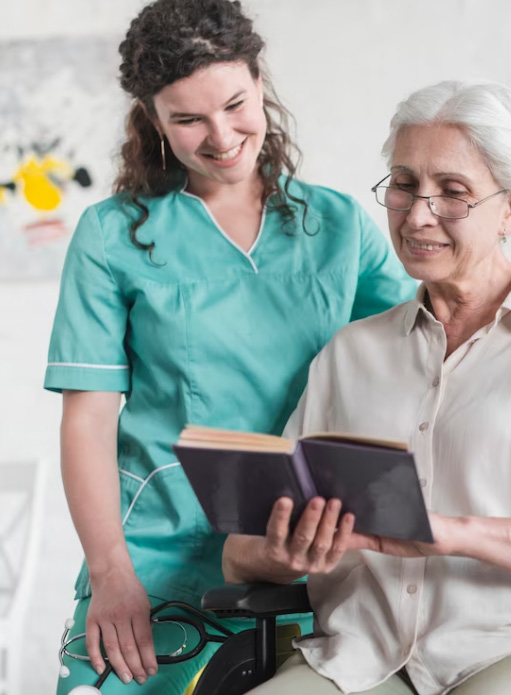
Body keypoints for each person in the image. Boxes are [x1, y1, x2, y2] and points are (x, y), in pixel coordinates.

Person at [223, 81, 511, 695]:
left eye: (453, 193)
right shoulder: (351, 353)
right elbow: (238, 553)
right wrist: (291, 550)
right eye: (404, 184)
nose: (418, 214)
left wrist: (453, 533)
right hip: (363, 660)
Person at [43, 0, 417, 691]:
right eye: (187, 119)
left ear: (259, 82)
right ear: (152, 120)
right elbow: (87, 418)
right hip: (153, 551)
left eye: (235, 104)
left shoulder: (336, 225)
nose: (220, 136)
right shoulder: (112, 235)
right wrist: (110, 571)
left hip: (298, 551)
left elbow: (436, 351)